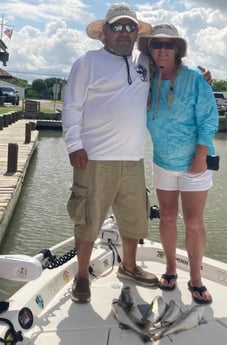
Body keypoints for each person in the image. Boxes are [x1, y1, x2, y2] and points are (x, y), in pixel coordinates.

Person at [62, 3, 158, 303]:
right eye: (117, 27)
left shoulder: (144, 62)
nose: (124, 32)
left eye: (130, 27)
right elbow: (72, 106)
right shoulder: (87, 62)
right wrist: (73, 144)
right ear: (103, 34)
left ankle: (128, 267)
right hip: (94, 158)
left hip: (132, 158)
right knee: (88, 220)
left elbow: (175, 68)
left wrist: (202, 75)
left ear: (135, 35)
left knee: (134, 219)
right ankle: (81, 276)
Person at [138, 24, 218, 304]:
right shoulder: (144, 78)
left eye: (168, 44)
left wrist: (200, 155)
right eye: (156, 44)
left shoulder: (195, 77)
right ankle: (171, 268)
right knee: (168, 218)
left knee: (194, 222)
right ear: (149, 49)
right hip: (163, 160)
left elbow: (209, 118)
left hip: (195, 162)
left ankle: (195, 278)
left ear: (178, 49)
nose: (162, 49)